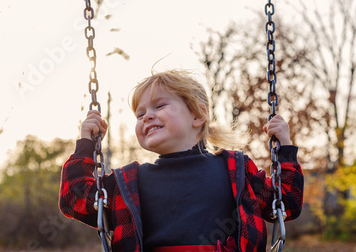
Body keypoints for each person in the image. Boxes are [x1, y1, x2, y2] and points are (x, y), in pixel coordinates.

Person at [59, 70, 304, 252]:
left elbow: (286, 202)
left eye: (159, 105)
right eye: (140, 114)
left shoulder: (236, 170)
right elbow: (75, 199)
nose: (147, 117)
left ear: (198, 115)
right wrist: (86, 144)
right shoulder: (129, 183)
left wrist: (284, 148)